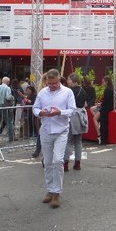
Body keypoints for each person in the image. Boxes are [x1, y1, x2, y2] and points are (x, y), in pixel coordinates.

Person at [32, 68, 76, 208]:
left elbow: (73, 110)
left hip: (61, 130)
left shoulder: (68, 92)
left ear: (59, 80)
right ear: (46, 81)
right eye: (49, 83)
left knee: (58, 160)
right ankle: (50, 190)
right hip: (46, 130)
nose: (51, 86)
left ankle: (57, 192)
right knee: (48, 162)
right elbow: (35, 108)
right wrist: (40, 112)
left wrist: (60, 112)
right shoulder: (42, 93)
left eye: (54, 83)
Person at [64, 73, 87, 170]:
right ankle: (77, 163)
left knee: (68, 140)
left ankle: (65, 163)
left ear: (74, 80)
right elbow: (85, 104)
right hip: (80, 116)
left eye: (69, 79)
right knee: (78, 141)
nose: (67, 81)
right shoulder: (83, 91)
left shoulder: (68, 91)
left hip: (71, 116)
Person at [98, 76, 114, 144]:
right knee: (106, 124)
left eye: (103, 82)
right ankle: (105, 138)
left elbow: (105, 100)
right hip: (110, 107)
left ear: (106, 81)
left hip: (105, 108)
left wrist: (100, 104)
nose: (102, 83)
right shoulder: (111, 89)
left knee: (103, 124)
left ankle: (103, 139)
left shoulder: (107, 89)